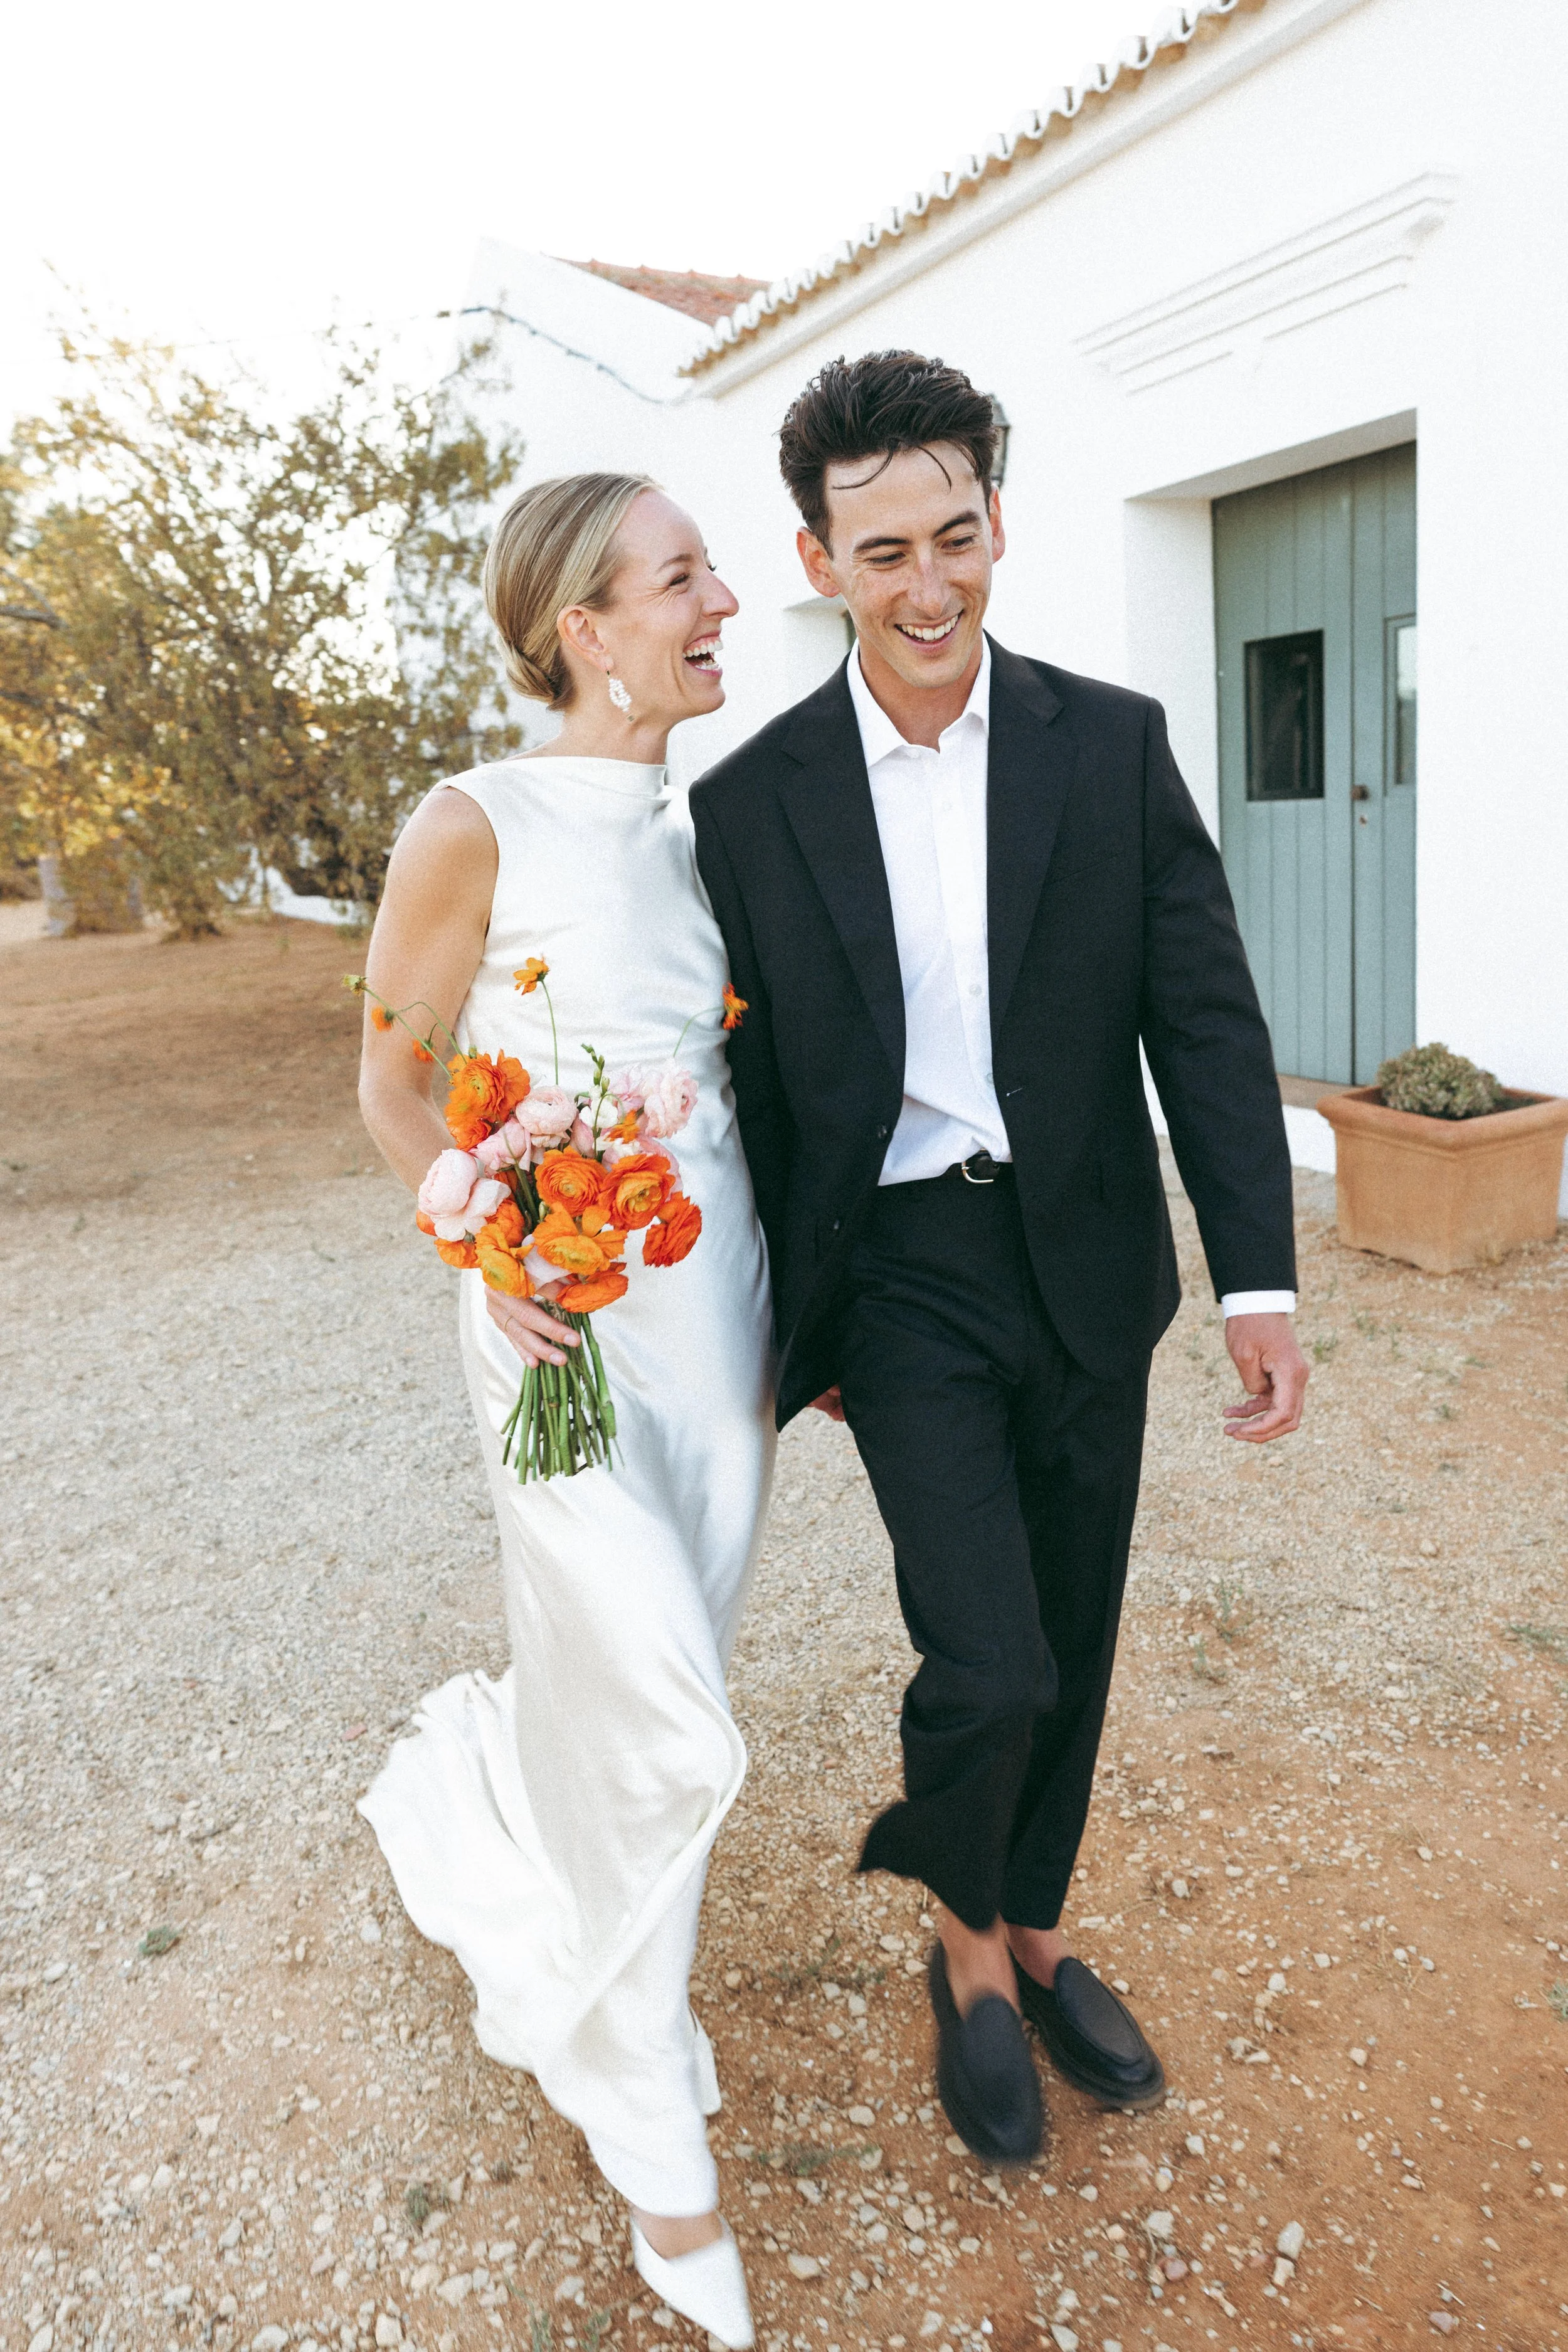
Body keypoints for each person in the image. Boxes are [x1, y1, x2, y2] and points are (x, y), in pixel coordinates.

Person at [690, 352, 1308, 2164]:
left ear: (997, 525)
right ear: (818, 559)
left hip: (1087, 1259)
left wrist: (1257, 1277)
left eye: (953, 534)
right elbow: (729, 1086)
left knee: (1078, 1623)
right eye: (880, 549)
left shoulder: (1105, 743)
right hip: (895, 1282)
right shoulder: (749, 803)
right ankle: (962, 1951)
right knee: (991, 1657)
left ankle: (1039, 1926)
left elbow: (1200, 1020)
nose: (927, 581)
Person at [356, 472, 773, 2346]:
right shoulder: (474, 821)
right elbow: (396, 1078)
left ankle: (619, 1956)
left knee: (645, 1683)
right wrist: (484, 1243)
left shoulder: (706, 831)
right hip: (563, 1325)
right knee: (669, 1707)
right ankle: (644, 2130)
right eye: (684, 577)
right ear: (582, 627)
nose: (725, 601)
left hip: (721, 1302)